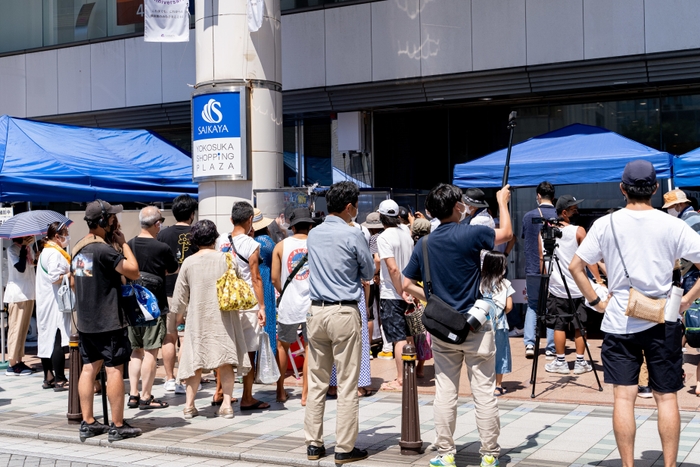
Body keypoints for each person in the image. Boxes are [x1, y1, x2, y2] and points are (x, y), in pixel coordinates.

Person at [570, 160, 700, 467]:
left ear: (622, 189)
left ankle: (628, 465)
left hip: (618, 321)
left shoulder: (606, 224)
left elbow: (576, 267)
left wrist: (596, 301)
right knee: (666, 397)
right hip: (663, 319)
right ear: (655, 188)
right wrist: (687, 300)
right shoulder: (674, 225)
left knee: (623, 398)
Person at [402, 183, 513, 467]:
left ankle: (445, 453)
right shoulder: (473, 232)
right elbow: (507, 235)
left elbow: (405, 284)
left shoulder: (424, 243)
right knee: (484, 392)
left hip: (442, 328)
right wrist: (502, 201)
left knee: (445, 391)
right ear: (457, 207)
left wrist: (431, 300)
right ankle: (489, 455)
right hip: (475, 324)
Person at [304, 181, 374, 464]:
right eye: (355, 206)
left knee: (317, 380)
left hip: (316, 312)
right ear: (349, 208)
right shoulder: (352, 233)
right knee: (346, 383)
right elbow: (368, 270)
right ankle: (344, 448)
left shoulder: (313, 234)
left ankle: (313, 444)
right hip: (343, 311)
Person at [73, 200, 142, 442]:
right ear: (102, 221)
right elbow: (134, 270)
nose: (114, 220)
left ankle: (88, 422)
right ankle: (117, 424)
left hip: (86, 322)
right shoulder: (105, 250)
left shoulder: (79, 248)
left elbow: (74, 283)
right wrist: (123, 243)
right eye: (111, 217)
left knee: (89, 368)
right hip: (109, 321)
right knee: (114, 370)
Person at [170, 220, 251, 419]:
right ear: (214, 238)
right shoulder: (226, 259)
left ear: (194, 240)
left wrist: (174, 323)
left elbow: (179, 298)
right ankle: (227, 406)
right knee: (225, 362)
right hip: (223, 317)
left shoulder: (188, 262)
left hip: (197, 319)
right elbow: (239, 282)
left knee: (194, 362)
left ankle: (189, 405)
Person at [216, 202, 268, 411]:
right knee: (249, 351)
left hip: (225, 303)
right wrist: (262, 307)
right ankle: (247, 396)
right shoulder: (251, 245)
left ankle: (219, 391)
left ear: (231, 220)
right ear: (249, 221)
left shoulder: (220, 241)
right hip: (246, 304)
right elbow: (256, 278)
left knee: (225, 351)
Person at [126, 206, 178, 410]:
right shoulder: (162, 248)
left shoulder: (129, 245)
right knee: (150, 351)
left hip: (132, 305)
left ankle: (133, 394)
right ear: (157, 224)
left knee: (135, 351)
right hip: (153, 306)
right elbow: (172, 268)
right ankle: (147, 396)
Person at [542, 195, 600, 376]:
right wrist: (598, 279)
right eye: (574, 209)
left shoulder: (546, 231)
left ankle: (560, 361)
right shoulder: (579, 231)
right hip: (578, 286)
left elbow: (543, 259)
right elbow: (589, 258)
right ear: (564, 212)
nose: (577, 212)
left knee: (559, 325)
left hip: (557, 287)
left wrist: (545, 282)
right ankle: (581, 361)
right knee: (579, 325)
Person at [157, 194, 198, 394]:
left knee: (169, 337)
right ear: (192, 213)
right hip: (192, 293)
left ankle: (169, 378)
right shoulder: (197, 234)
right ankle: (183, 379)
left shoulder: (163, 235)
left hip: (168, 292)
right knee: (186, 337)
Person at [272, 208, 313, 405]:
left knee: (282, 346)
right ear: (310, 226)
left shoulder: (280, 246)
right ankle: (305, 395)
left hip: (288, 304)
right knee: (309, 348)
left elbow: (274, 278)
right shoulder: (316, 245)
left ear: (292, 226)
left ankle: (280, 391)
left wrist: (285, 291)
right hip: (311, 304)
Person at [375, 199, 415, 390]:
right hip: (410, 289)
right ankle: (410, 375)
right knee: (409, 336)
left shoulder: (383, 237)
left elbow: (392, 269)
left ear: (382, 217)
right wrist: (408, 290)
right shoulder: (407, 232)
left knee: (398, 338)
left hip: (392, 293)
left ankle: (401, 379)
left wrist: (400, 290)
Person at [520, 181, 556, 359]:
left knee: (533, 305)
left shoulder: (528, 216)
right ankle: (550, 347)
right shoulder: (560, 215)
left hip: (533, 266)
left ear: (539, 196)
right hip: (555, 269)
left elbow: (526, 239)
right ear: (553, 197)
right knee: (552, 306)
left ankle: (530, 344)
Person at [35, 222, 72, 391]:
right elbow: (55, 277)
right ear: (57, 237)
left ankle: (48, 377)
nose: (67, 237)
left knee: (46, 338)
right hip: (53, 302)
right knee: (56, 338)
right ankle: (59, 378)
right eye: (65, 234)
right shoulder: (55, 254)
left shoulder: (45, 252)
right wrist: (71, 274)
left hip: (45, 300)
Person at [479, 251, 514, 397]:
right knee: (501, 353)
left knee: (484, 353)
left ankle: (485, 383)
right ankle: (498, 386)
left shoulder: (481, 283)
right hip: (499, 324)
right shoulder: (505, 284)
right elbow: (509, 306)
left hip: (482, 323)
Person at [5, 235, 37, 376]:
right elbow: (20, 267)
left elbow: (33, 264)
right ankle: (12, 364)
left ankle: (19, 360)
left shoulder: (28, 248)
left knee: (23, 330)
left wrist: (34, 249)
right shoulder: (12, 250)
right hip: (17, 294)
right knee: (15, 329)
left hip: (28, 292)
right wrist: (24, 247)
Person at [252, 211, 278, 361]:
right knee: (267, 321)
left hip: (253, 281)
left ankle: (253, 361)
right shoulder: (268, 242)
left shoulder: (252, 242)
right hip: (266, 281)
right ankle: (267, 361)